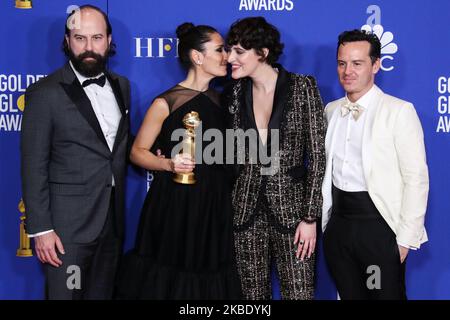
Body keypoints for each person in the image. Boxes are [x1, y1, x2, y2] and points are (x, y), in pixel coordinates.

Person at [116, 23, 241, 299]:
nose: (227, 56)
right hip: (175, 204)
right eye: (220, 49)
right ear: (197, 57)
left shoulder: (227, 102)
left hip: (215, 204)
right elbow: (138, 151)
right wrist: (169, 164)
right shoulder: (166, 102)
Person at [21, 5, 130, 299]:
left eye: (96, 37)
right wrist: (41, 229)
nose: (89, 47)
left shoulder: (122, 87)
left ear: (109, 40)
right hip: (66, 231)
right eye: (80, 38)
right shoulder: (45, 93)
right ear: (67, 41)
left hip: (111, 223)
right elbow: (33, 165)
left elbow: (113, 147)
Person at [322, 29, 429, 300]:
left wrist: (405, 240)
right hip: (338, 227)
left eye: (357, 63)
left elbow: (416, 178)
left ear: (376, 65)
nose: (348, 71)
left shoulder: (399, 111)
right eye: (342, 63)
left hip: (378, 228)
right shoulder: (331, 110)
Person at [224, 17, 326, 300]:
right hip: (246, 212)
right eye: (230, 50)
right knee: (253, 299)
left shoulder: (303, 87)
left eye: (239, 52)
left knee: (299, 295)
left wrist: (310, 217)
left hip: (294, 215)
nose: (230, 58)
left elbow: (318, 156)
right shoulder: (234, 92)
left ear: (263, 53)